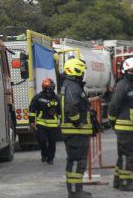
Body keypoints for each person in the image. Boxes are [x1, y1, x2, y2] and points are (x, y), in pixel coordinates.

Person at [59, 58, 93, 198]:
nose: (83, 74)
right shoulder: (73, 87)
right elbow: (71, 107)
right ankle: (74, 191)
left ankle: (77, 189)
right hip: (75, 132)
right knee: (75, 161)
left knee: (78, 161)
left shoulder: (71, 85)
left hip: (76, 132)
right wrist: (78, 122)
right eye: (82, 71)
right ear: (76, 70)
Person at [108, 57, 133, 192]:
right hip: (124, 127)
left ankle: (118, 180)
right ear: (125, 71)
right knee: (127, 156)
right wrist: (112, 120)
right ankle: (125, 182)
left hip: (131, 126)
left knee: (123, 155)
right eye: (131, 71)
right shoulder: (123, 85)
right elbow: (114, 104)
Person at [29, 78, 61, 165]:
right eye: (51, 87)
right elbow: (32, 110)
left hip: (53, 125)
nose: (52, 89)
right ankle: (44, 154)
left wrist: (60, 122)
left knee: (52, 142)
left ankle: (50, 159)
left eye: (53, 87)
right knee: (41, 140)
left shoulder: (56, 98)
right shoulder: (38, 97)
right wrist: (31, 122)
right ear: (45, 88)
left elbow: (60, 111)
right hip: (41, 123)